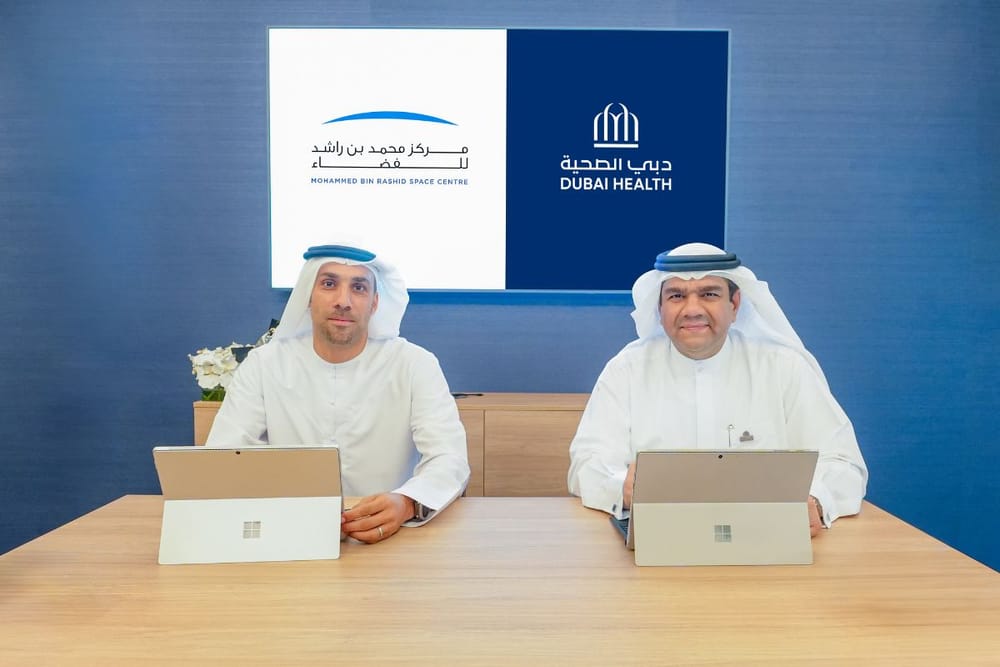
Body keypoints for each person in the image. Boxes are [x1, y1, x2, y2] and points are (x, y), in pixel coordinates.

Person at [567, 242, 867, 536]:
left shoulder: (783, 367)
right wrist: (622, 486)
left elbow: (843, 464)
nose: (692, 309)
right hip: (660, 538)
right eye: (676, 296)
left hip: (764, 539)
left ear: (734, 305)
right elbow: (587, 464)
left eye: (709, 294)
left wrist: (815, 499)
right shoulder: (627, 370)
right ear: (660, 308)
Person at [207, 244, 470, 543]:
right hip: (287, 534)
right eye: (329, 284)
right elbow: (224, 457)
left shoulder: (414, 364)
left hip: (393, 538)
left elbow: (449, 457)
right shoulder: (264, 364)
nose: (343, 301)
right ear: (308, 296)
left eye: (358, 288)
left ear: (374, 303)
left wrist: (407, 502)